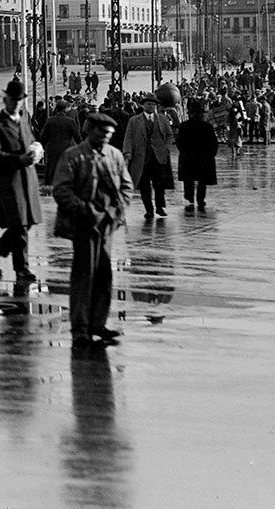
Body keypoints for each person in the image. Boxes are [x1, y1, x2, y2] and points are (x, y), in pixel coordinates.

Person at [52, 111, 134, 345]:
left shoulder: (114, 155)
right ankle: (80, 328)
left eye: (110, 134)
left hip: (107, 224)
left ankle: (98, 323)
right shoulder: (73, 156)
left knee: (104, 275)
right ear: (91, 131)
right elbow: (61, 190)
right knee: (83, 275)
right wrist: (85, 210)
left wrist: (115, 212)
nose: (106, 137)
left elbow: (126, 187)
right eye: (102, 132)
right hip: (83, 224)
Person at [0, 77, 41, 281]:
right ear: (5, 100)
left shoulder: (23, 121)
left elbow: (31, 141)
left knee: (26, 223)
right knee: (20, 226)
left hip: (28, 179)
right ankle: (21, 269)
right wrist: (18, 159)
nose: (16, 103)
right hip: (9, 182)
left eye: (19, 100)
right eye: (13, 100)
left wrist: (36, 149)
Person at [123, 94, 175, 220]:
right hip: (141, 157)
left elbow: (170, 135)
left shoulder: (162, 119)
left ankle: (159, 206)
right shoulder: (134, 120)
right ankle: (149, 210)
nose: (151, 106)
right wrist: (128, 152)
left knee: (160, 183)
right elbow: (128, 137)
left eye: (153, 104)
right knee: (144, 185)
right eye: (149, 104)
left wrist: (166, 148)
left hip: (159, 157)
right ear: (143, 105)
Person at [173, 97, 218, 213]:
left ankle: (190, 198)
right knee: (202, 180)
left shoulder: (184, 126)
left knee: (188, 179)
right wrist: (210, 155)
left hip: (188, 156)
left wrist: (183, 152)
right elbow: (213, 143)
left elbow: (179, 142)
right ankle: (200, 199)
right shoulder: (207, 126)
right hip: (203, 157)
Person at [38, 101, 81, 187]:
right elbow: (77, 137)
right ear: (66, 110)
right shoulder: (70, 121)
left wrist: (42, 147)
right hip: (67, 148)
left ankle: (50, 186)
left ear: (56, 109)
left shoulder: (50, 120)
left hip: (52, 148)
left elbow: (43, 136)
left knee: (51, 168)